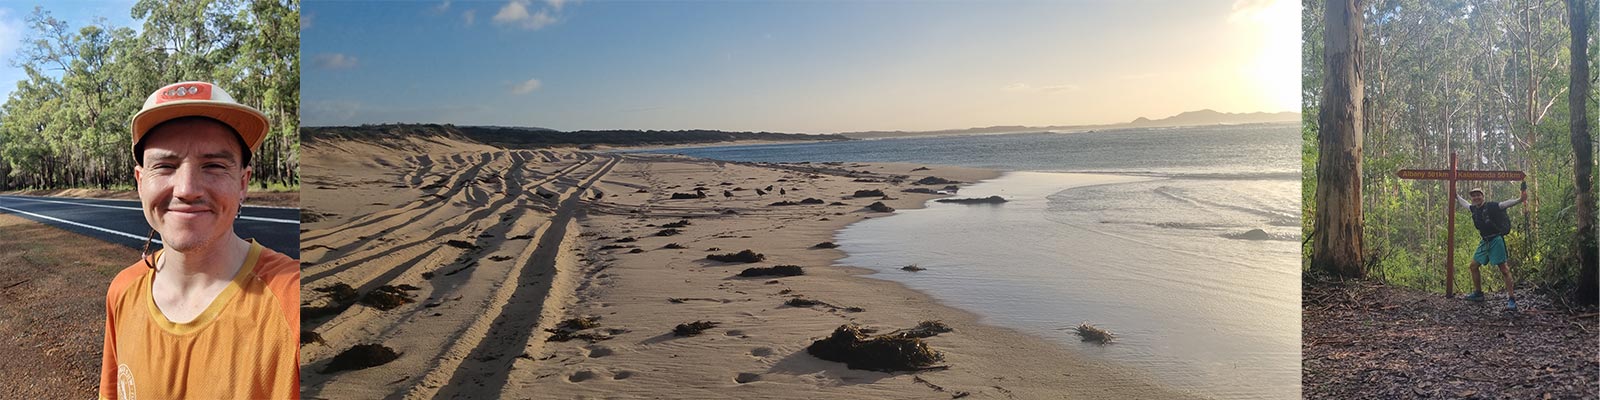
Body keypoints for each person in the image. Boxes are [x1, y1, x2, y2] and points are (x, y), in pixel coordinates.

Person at [98, 81, 299, 399]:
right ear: (140, 182)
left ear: (243, 183)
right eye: (165, 166)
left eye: (214, 166)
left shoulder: (295, 302)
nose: (187, 189)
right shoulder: (122, 292)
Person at [1456, 183, 1527, 311]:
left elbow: (1505, 204)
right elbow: (1465, 204)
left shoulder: (1492, 206)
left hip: (1496, 240)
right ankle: (1478, 293)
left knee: (1504, 269)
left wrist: (1520, 199)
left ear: (1483, 196)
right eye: (1474, 196)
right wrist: (1456, 195)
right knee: (1473, 266)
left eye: (1478, 195)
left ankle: (1511, 299)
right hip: (1485, 242)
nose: (1476, 198)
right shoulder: (1474, 209)